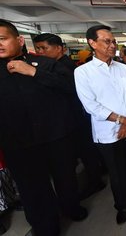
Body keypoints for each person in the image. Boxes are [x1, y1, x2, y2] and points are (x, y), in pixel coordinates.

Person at [0, 19, 87, 236]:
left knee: (66, 179)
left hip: (56, 136)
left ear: (19, 40)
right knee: (32, 190)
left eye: (2, 39)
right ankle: (46, 227)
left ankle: (71, 209)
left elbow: (71, 88)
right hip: (18, 144)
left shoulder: (46, 64)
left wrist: (32, 72)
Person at [74, 25, 126, 225]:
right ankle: (122, 205)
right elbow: (91, 105)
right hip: (108, 133)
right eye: (107, 41)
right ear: (92, 43)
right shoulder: (83, 72)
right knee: (117, 172)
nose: (112, 45)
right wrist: (123, 121)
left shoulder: (124, 68)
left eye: (113, 41)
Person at [33, 33, 106, 200]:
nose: (40, 52)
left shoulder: (65, 67)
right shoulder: (53, 66)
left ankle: (95, 181)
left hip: (76, 119)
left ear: (59, 48)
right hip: (69, 120)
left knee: (86, 152)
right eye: (37, 48)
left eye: (44, 48)